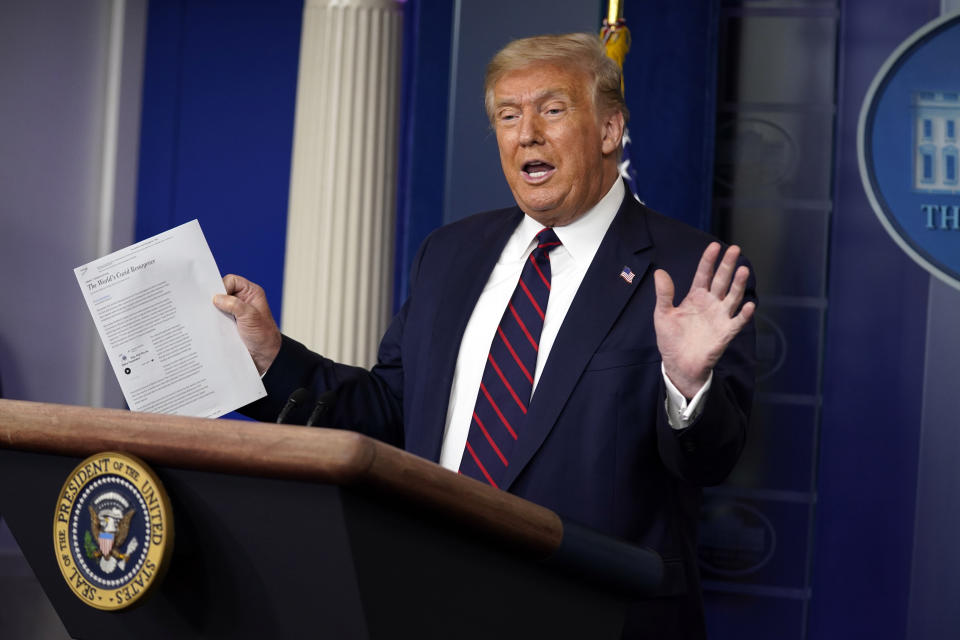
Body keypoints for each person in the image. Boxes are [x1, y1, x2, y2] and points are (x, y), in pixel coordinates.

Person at [214, 33, 756, 640]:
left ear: (609, 131)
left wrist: (687, 385)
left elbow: (712, 460)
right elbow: (389, 413)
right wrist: (270, 357)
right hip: (431, 599)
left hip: (595, 616)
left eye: (552, 110)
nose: (527, 133)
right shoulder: (450, 253)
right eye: (508, 114)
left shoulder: (687, 271)